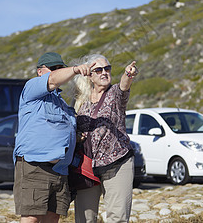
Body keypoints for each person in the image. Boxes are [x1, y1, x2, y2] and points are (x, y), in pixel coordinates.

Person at [13, 52, 93, 223]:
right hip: (35, 166)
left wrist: (76, 137)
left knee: (52, 218)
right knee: (31, 217)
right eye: (53, 68)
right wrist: (76, 69)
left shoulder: (62, 103)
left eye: (60, 68)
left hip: (60, 171)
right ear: (40, 71)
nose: (58, 71)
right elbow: (52, 80)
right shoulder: (32, 89)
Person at [72, 54, 138, 223]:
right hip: (87, 167)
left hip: (117, 162)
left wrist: (128, 75)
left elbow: (124, 86)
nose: (104, 72)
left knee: (117, 217)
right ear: (90, 76)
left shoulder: (114, 94)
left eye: (107, 69)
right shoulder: (81, 101)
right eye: (99, 70)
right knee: (84, 218)